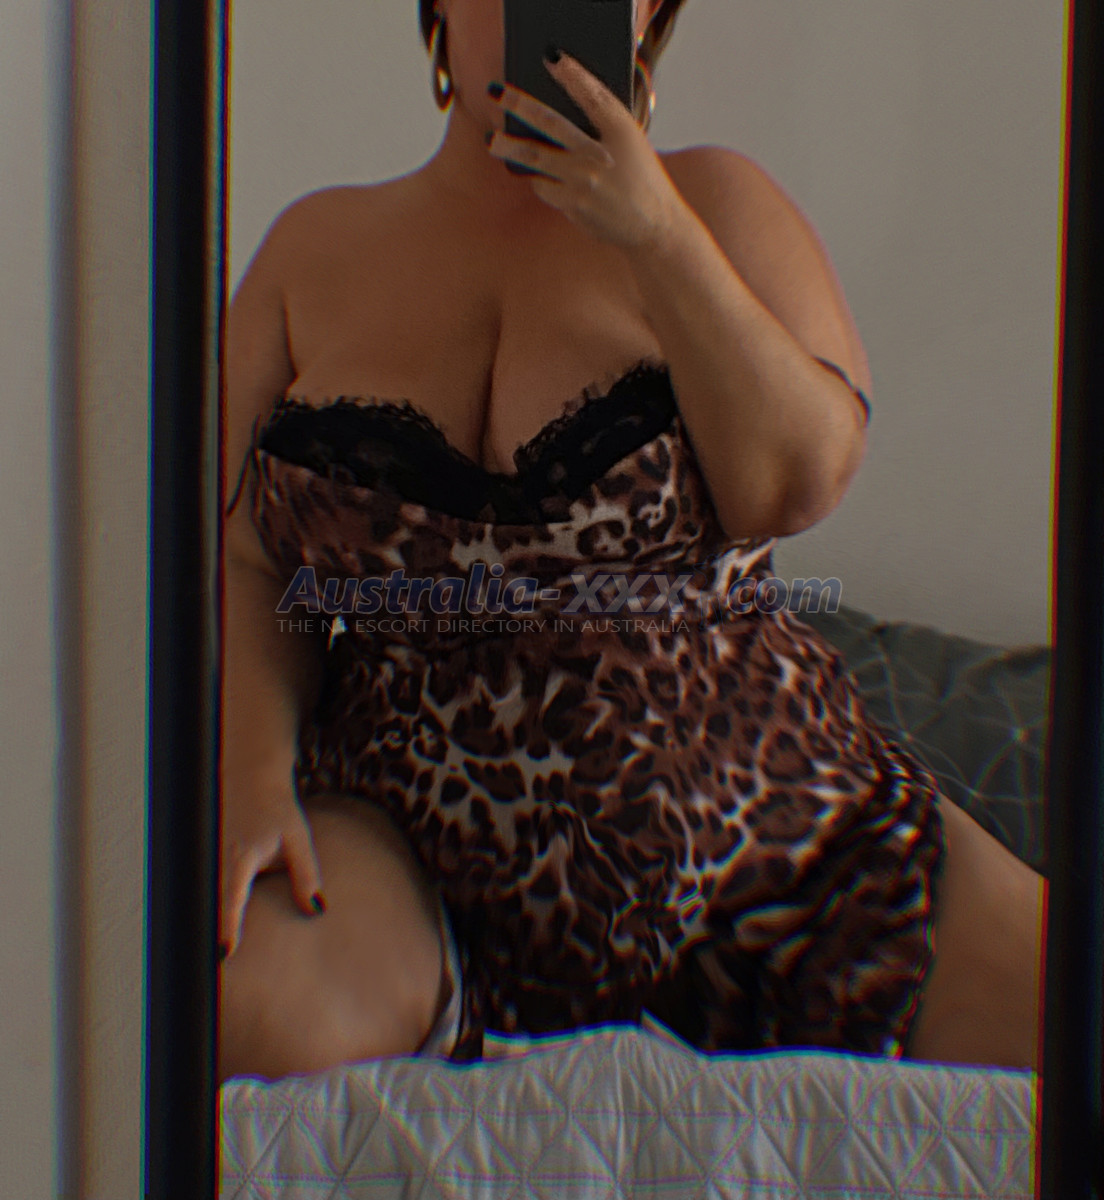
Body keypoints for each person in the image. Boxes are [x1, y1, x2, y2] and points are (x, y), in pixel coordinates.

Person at [217, 0, 1045, 1084]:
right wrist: (250, 775)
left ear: (649, 9)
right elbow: (238, 561)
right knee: (241, 1019)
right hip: (414, 849)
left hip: (779, 845)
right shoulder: (310, 251)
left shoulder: (719, 204)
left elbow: (792, 484)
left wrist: (655, 233)